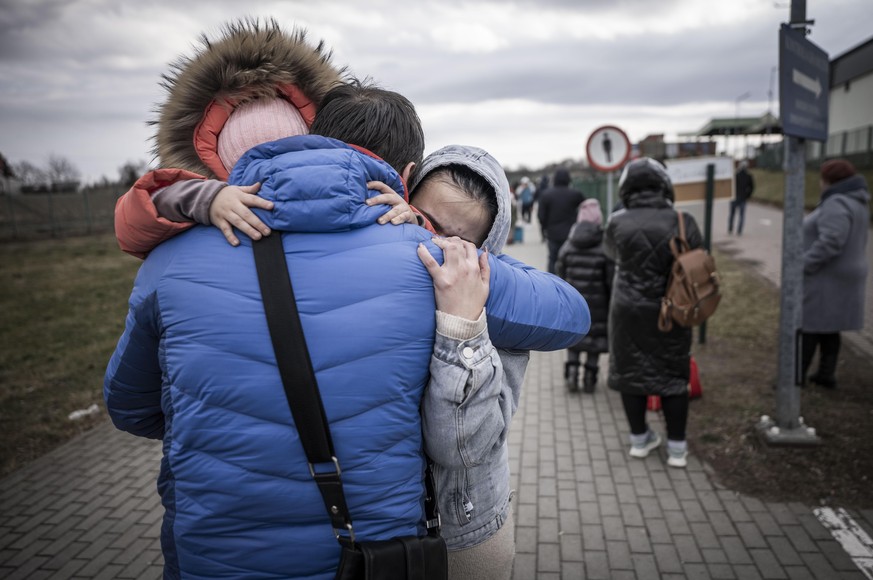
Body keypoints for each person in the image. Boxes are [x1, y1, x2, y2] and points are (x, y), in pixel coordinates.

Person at [105, 20, 589, 579]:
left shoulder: (172, 260)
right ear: (407, 177)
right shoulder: (429, 260)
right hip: (366, 560)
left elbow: (131, 407)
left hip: (212, 562)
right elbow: (569, 316)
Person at [603, 158, 703, 469]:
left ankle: (639, 441)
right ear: (665, 186)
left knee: (630, 372)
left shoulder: (616, 221)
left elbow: (611, 255)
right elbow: (698, 258)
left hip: (627, 309)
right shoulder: (682, 219)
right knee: (672, 375)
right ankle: (676, 449)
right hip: (671, 308)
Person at [801, 159, 870, 389]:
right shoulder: (857, 202)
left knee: (808, 324)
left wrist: (804, 264)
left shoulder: (836, 202)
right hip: (842, 276)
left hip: (826, 276)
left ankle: (795, 376)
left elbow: (831, 241)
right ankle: (825, 374)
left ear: (829, 180)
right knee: (830, 327)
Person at [556, 198, 613, 393]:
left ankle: (572, 373)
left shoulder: (569, 245)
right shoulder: (605, 247)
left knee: (574, 339)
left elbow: (560, 274)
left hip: (574, 304)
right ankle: (590, 378)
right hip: (599, 305)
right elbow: (610, 279)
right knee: (595, 341)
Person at [537, 167, 585, 273]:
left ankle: (551, 282)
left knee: (553, 258)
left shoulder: (546, 195)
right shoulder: (576, 194)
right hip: (571, 233)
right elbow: (585, 210)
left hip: (553, 233)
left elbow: (541, 216)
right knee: (570, 259)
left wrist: (545, 228)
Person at [728, 160, 755, 235]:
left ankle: (730, 228)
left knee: (732, 214)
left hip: (734, 197)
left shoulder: (736, 175)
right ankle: (739, 230)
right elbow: (752, 187)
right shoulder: (748, 176)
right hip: (743, 198)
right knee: (741, 215)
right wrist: (747, 196)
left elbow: (731, 186)